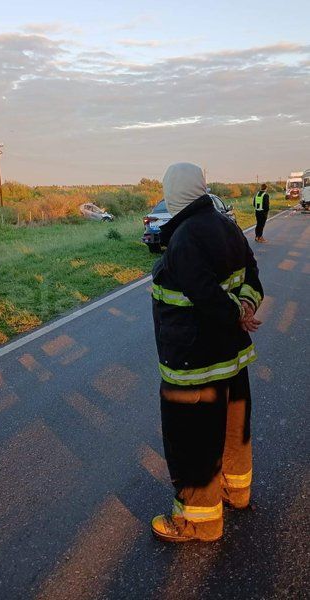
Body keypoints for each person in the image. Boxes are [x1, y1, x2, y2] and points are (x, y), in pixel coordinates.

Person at [150, 162, 263, 543]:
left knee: (193, 443)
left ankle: (198, 523)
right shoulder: (226, 224)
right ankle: (237, 493)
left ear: (174, 194)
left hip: (191, 366)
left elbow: (203, 293)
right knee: (234, 431)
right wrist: (246, 307)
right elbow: (251, 272)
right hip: (231, 359)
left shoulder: (184, 238)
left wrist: (234, 314)